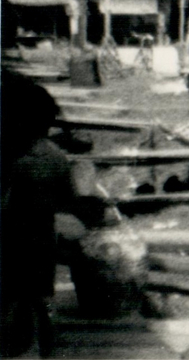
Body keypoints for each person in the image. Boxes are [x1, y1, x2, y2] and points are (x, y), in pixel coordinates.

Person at [1, 69, 106, 358]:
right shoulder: (39, 159)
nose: (36, 145)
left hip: (30, 265)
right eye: (30, 137)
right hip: (25, 264)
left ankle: (35, 336)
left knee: (34, 305)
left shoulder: (46, 159)